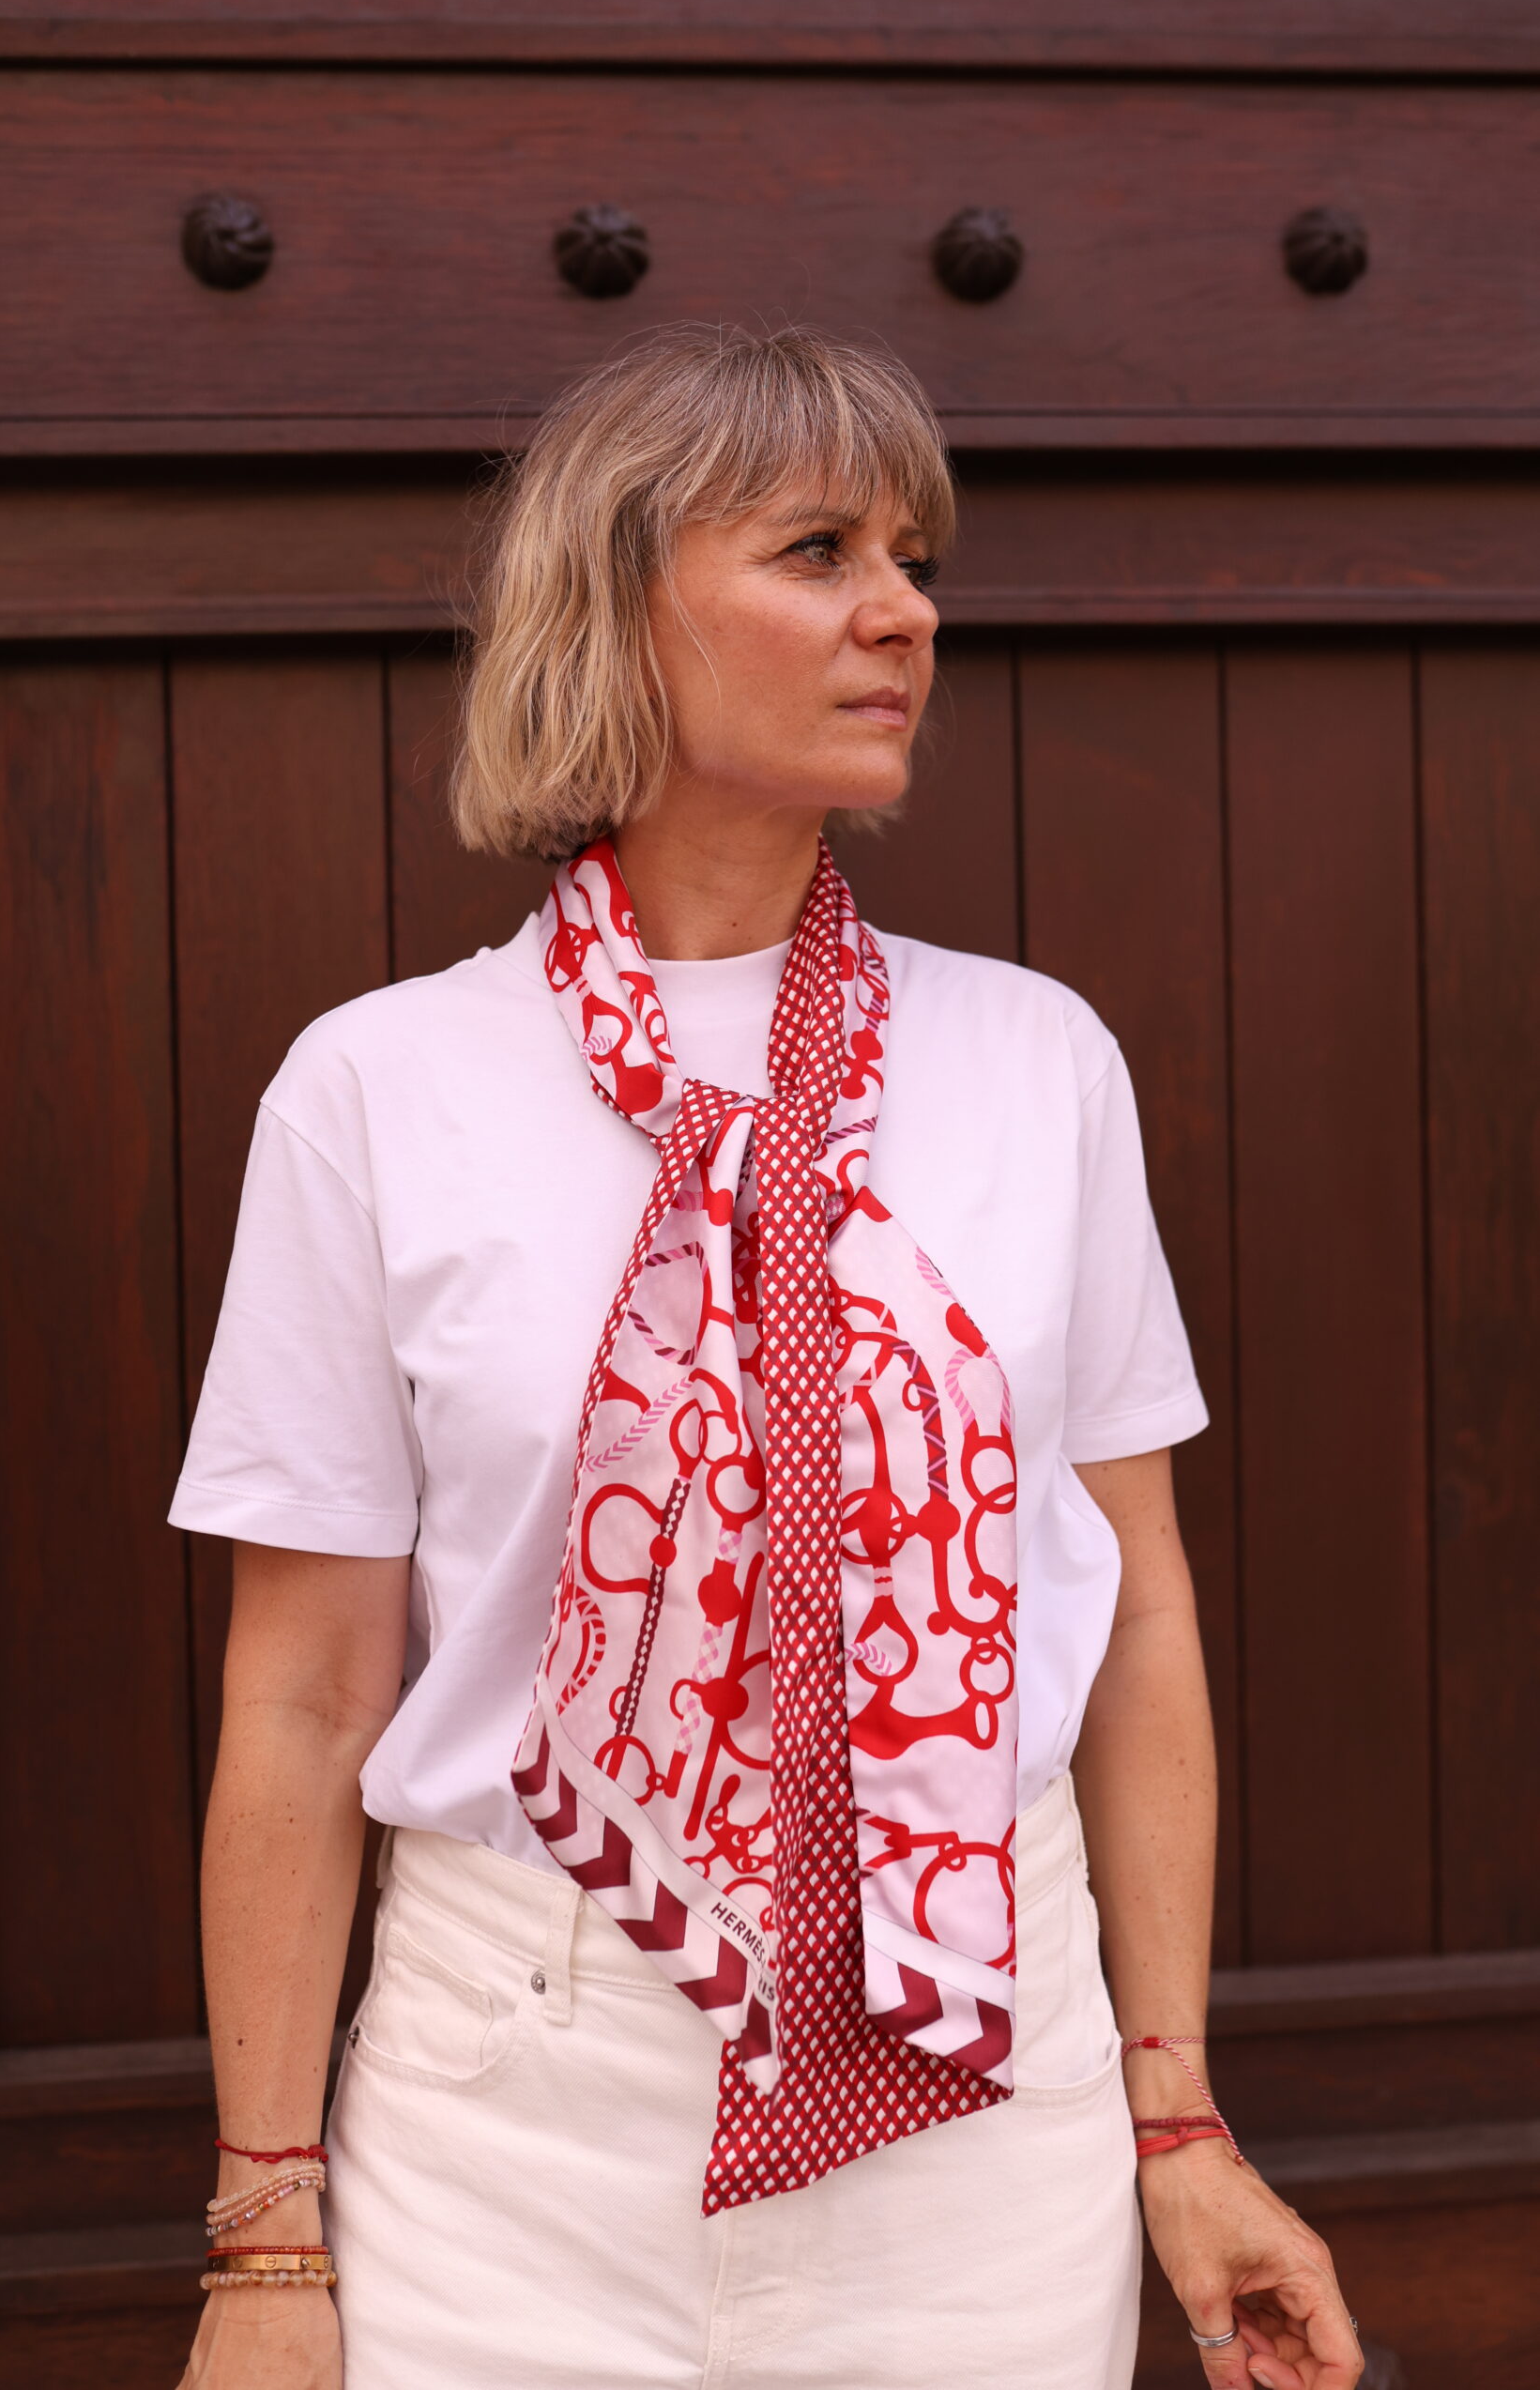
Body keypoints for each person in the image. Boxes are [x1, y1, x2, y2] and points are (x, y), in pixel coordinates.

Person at [170, 323, 1362, 2390]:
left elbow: (1135, 1603)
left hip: (984, 2103)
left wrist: (1177, 2119)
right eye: (819, 551)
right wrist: (264, 2246)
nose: (903, 612)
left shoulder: (1036, 1061)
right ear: (616, 606)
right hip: (512, 2114)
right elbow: (302, 1691)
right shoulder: (375, 1090)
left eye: (914, 560)